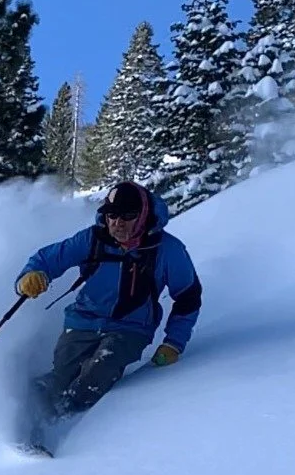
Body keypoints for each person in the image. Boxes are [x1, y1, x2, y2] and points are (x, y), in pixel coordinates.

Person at [15, 180, 202, 423]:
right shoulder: (92, 240)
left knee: (100, 368)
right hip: (83, 321)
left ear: (143, 215)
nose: (117, 222)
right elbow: (48, 259)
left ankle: (61, 420)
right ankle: (32, 402)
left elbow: (188, 296)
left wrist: (174, 343)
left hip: (131, 329)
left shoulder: (167, 250)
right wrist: (31, 276)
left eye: (128, 215)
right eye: (112, 215)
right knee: (62, 375)